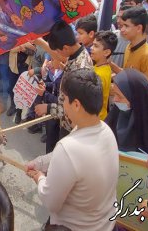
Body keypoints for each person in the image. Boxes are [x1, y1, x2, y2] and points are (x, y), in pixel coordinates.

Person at [26, 68, 119, 230]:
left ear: (76, 104)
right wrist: (40, 162)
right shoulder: (106, 131)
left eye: (64, 100)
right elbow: (64, 158)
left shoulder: (68, 148)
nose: (62, 105)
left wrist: (40, 177)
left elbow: (51, 201)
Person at [35, 21, 93, 141]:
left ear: (65, 48)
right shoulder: (78, 53)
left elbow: (76, 109)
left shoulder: (80, 69)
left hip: (72, 127)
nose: (56, 56)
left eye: (57, 51)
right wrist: (39, 41)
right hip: (64, 120)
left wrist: (48, 107)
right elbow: (63, 58)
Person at [115, 6, 148, 90]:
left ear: (139, 28)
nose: (122, 30)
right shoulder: (129, 46)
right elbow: (127, 75)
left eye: (126, 26)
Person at [90, 31, 117, 120]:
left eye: (96, 46)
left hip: (95, 118)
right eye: (93, 45)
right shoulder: (102, 66)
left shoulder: (99, 75)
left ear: (106, 52)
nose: (91, 48)